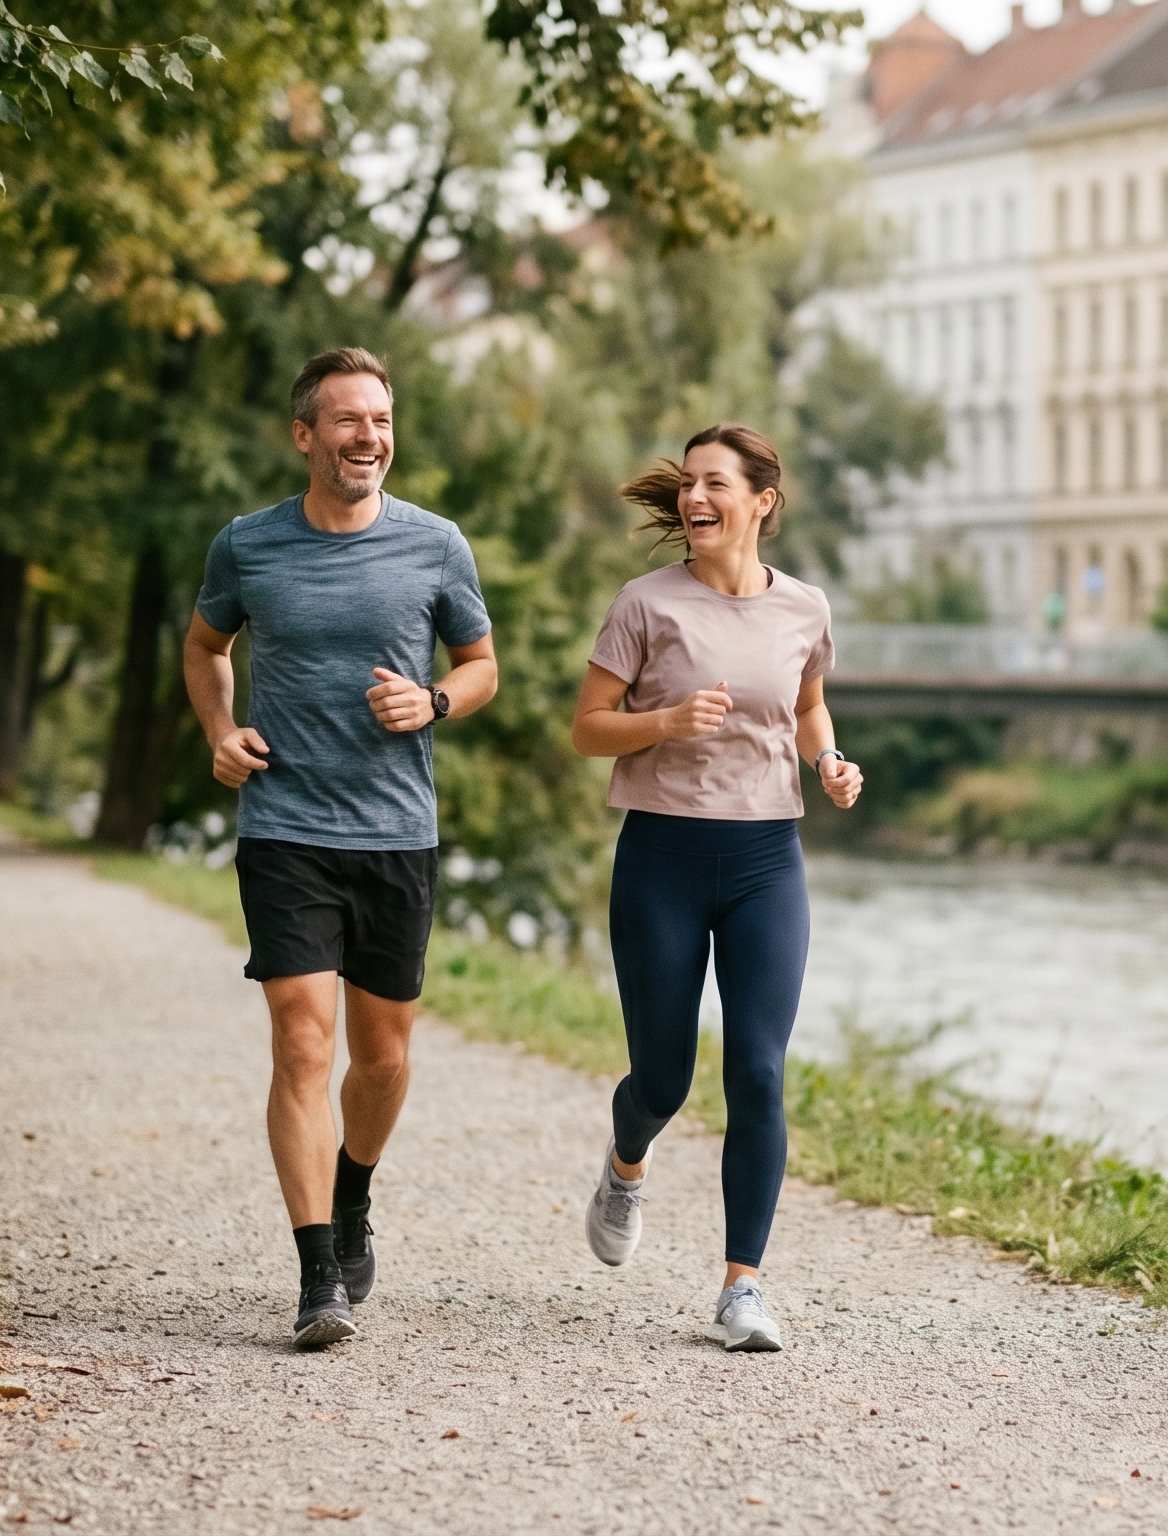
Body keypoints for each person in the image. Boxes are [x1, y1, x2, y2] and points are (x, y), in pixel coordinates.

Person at [184, 346, 500, 1349]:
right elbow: (204, 648)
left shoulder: (435, 545)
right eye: (349, 420)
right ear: (305, 436)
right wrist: (220, 734)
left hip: (395, 833)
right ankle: (318, 1273)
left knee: (382, 1058)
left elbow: (482, 663)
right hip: (285, 827)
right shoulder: (248, 546)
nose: (370, 437)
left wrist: (436, 699)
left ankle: (353, 1190)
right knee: (301, 1043)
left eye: (381, 419)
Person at [568, 424, 862, 1352]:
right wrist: (663, 722)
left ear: (761, 502)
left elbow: (808, 701)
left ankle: (742, 1288)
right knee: (663, 1077)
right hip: (661, 860)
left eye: (715, 484)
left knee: (761, 1072)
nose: (695, 499)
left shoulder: (806, 608)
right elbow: (587, 729)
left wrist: (830, 759)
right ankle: (626, 1162)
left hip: (768, 862)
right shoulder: (645, 605)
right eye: (688, 483)